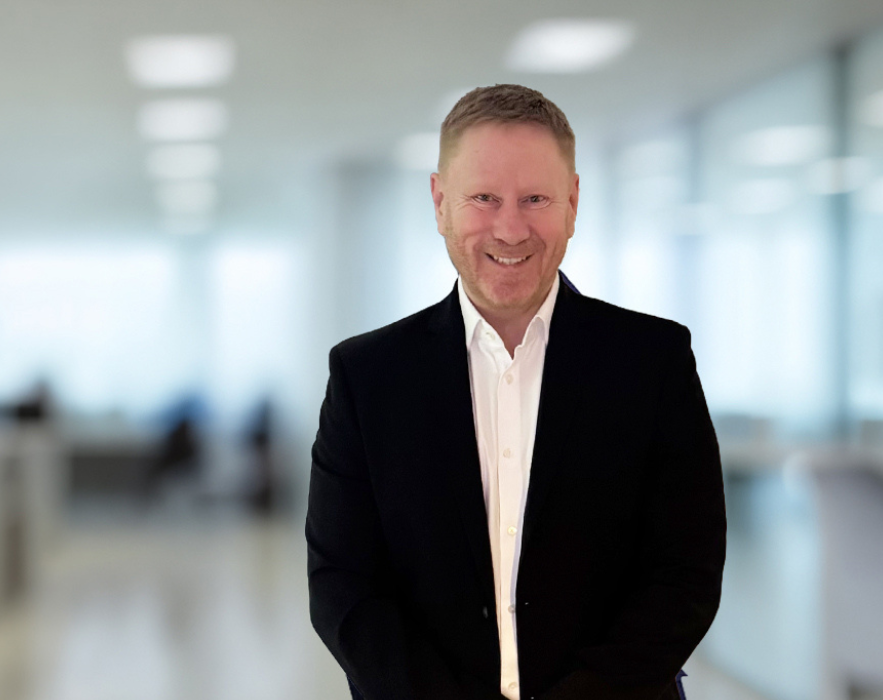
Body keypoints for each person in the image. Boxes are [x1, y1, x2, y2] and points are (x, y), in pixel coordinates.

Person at [305, 84, 724, 700]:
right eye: (483, 198)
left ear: (574, 202)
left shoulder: (652, 362)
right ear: (440, 201)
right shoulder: (366, 377)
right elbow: (342, 585)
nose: (510, 228)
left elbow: (685, 573)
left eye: (535, 198)